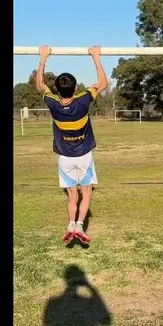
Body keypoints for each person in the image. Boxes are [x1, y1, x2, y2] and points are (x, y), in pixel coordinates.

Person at [36, 44, 109, 244]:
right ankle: (79, 226)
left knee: (72, 196)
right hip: (84, 156)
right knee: (86, 193)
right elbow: (103, 83)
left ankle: (71, 224)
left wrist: (43, 58)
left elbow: (40, 85)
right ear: (75, 88)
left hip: (65, 159)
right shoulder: (83, 100)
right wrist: (95, 57)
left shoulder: (52, 102)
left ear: (57, 90)